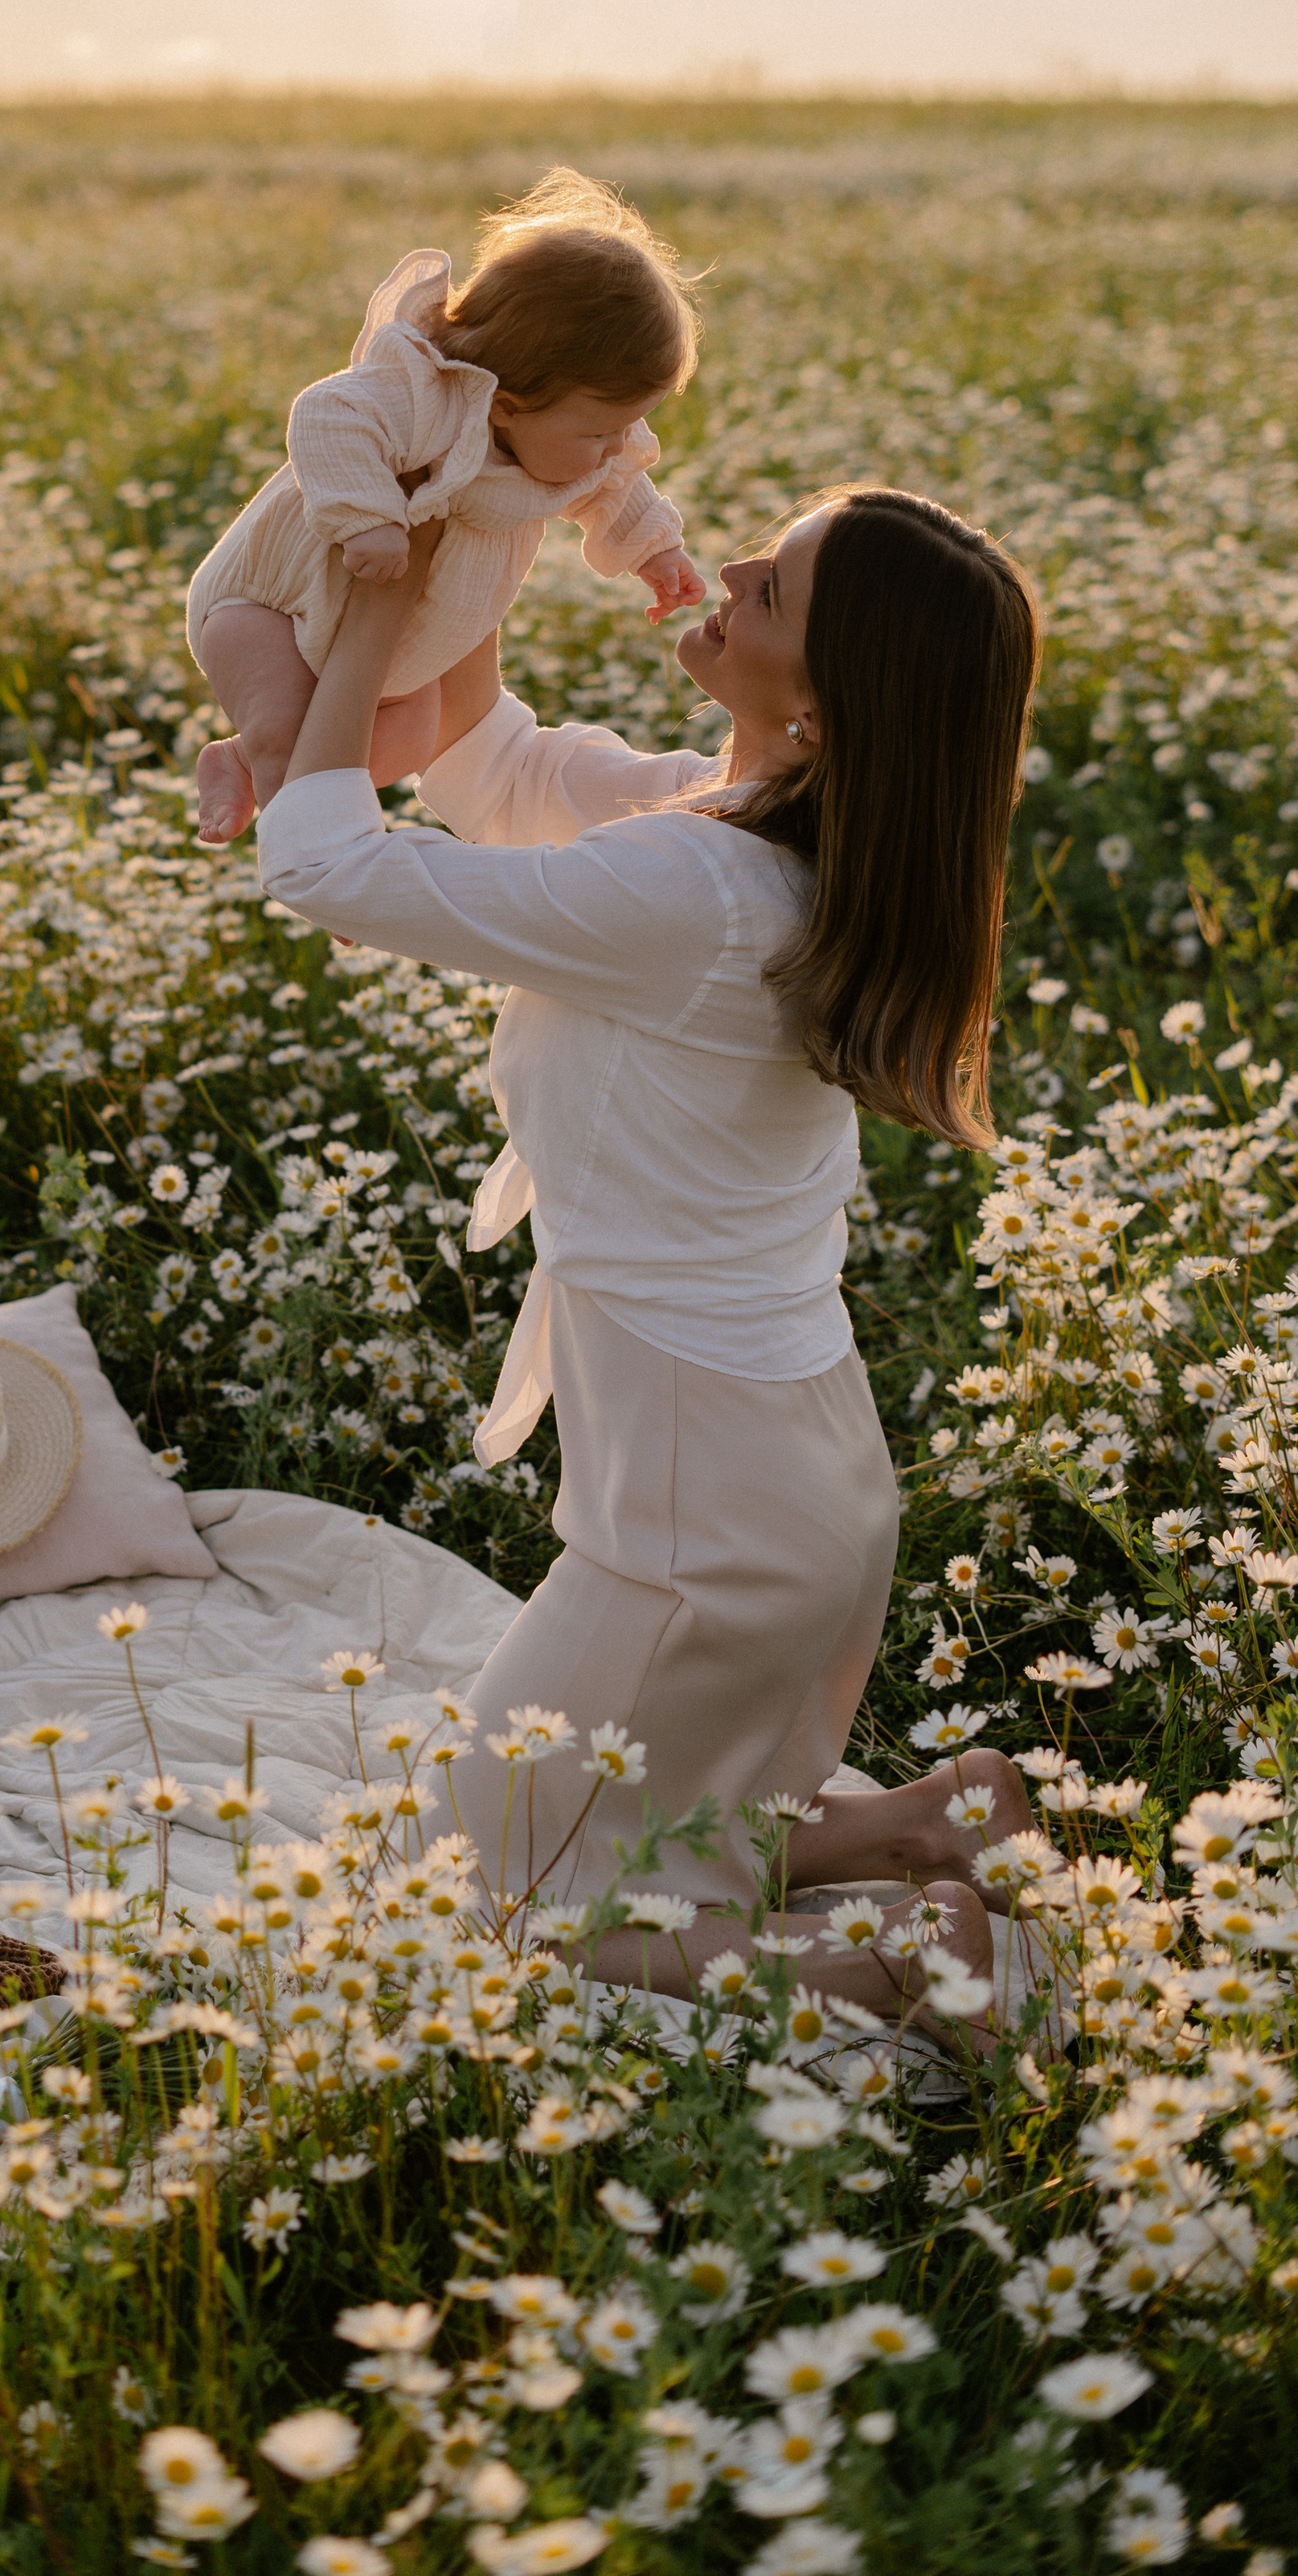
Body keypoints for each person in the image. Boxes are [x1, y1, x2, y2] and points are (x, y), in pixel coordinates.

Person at [256, 488, 1043, 2039]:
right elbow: (497, 766)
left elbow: (328, 866)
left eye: (776, 586)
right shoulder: (745, 840)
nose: (734, 568)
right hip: (787, 1491)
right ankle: (931, 1823)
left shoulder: (693, 896)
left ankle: (906, 1959)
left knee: (478, 1912)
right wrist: (495, 517)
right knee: (632, 1825)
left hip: (705, 1533)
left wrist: (359, 623)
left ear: (818, 704)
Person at [189, 169, 710, 846]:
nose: (616, 449)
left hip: (396, 661)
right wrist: (368, 517)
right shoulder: (426, 395)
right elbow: (328, 414)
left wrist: (657, 551)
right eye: (599, 431)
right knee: (293, 747)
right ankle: (323, 861)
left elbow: (619, 488)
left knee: (411, 739)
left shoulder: (572, 447)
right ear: (508, 403)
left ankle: (247, 772)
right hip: (268, 609)